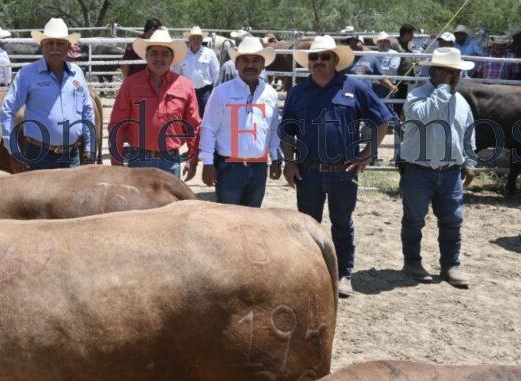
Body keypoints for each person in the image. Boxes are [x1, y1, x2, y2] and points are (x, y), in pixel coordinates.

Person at [279, 36, 395, 297]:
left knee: (342, 224)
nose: (318, 61)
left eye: (324, 57)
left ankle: (343, 273)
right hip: (307, 171)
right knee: (308, 225)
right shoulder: (298, 92)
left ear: (336, 61)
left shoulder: (355, 87)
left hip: (344, 171)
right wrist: (289, 161)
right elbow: (287, 131)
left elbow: (383, 120)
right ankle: (311, 273)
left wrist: (368, 153)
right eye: (314, 57)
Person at [398, 47, 476, 289]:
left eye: (456, 72)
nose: (455, 77)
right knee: (414, 219)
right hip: (418, 169)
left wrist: (470, 162)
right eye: (450, 72)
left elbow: (468, 132)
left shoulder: (461, 101)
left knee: (452, 220)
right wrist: (442, 89)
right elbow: (424, 116)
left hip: (451, 170)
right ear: (435, 72)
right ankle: (412, 262)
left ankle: (451, 264)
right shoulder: (417, 96)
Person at [0, 18, 96, 170]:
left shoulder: (77, 74)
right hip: (39, 156)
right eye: (50, 43)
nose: (55, 48)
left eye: (60, 43)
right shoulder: (27, 75)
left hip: (72, 155)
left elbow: (87, 111)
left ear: (68, 46)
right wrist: (13, 151)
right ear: (42, 46)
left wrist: (90, 148)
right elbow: (6, 111)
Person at [199, 36, 282, 207]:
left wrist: (276, 159)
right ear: (236, 64)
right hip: (229, 167)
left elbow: (274, 130)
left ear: (263, 64)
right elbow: (208, 128)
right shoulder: (221, 92)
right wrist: (207, 162)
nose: (250, 65)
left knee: (252, 218)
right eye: (245, 60)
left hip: (259, 168)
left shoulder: (271, 94)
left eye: (256, 60)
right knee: (228, 221)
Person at [109, 28, 199, 179]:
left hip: (171, 160)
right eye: (154, 53)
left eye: (165, 54)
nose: (159, 58)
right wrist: (116, 162)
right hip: (139, 159)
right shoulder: (131, 84)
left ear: (172, 57)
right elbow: (118, 123)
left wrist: (192, 159)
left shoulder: (185, 86)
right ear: (146, 56)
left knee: (171, 203)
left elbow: (193, 125)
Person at [173, 26, 220, 116]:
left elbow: (216, 72)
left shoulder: (209, 53)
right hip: (187, 91)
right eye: (194, 38)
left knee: (206, 115)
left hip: (205, 91)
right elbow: (177, 73)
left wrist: (215, 91)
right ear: (189, 40)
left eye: (199, 38)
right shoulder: (182, 54)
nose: (196, 40)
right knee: (188, 115)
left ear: (202, 40)